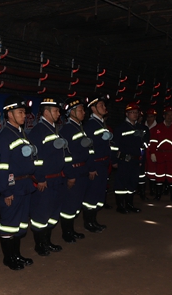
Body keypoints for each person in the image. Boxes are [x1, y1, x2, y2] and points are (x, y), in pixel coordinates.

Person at [0, 95, 37, 270]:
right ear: (9, 114)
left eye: (24, 112)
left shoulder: (22, 134)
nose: (24, 115)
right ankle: (9, 258)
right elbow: (2, 168)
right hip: (13, 187)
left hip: (25, 186)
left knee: (20, 224)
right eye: (20, 112)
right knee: (9, 225)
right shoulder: (4, 137)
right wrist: (6, 191)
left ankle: (17, 255)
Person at [28, 97, 66, 256]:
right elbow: (36, 159)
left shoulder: (54, 130)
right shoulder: (38, 131)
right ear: (46, 112)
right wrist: (40, 178)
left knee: (53, 213)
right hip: (46, 181)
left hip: (57, 179)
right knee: (41, 214)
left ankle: (47, 241)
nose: (58, 113)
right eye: (56, 110)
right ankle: (40, 244)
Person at [59, 97, 90, 243]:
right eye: (80, 110)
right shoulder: (67, 130)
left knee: (76, 203)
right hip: (74, 172)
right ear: (72, 112)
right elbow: (66, 156)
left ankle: (71, 230)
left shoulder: (79, 128)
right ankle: (66, 232)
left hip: (82, 170)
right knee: (69, 204)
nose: (84, 112)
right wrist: (70, 175)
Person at [82, 95, 112, 233]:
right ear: (93, 108)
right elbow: (88, 149)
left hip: (103, 165)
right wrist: (91, 167)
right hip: (96, 166)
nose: (104, 107)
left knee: (99, 195)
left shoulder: (101, 124)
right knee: (92, 196)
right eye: (101, 105)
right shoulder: (90, 125)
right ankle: (88, 222)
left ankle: (93, 221)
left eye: (104, 105)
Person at [111, 102, 145, 214]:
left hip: (135, 160)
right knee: (121, 183)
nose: (135, 114)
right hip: (124, 160)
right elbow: (114, 146)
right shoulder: (121, 128)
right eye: (132, 112)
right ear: (127, 114)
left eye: (136, 112)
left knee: (132, 183)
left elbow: (141, 146)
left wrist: (141, 159)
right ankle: (120, 206)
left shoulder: (139, 128)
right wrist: (114, 160)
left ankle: (130, 204)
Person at [148, 106, 172, 202]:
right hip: (160, 155)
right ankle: (158, 195)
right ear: (164, 116)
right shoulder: (158, 127)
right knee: (159, 176)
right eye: (168, 115)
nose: (169, 117)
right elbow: (153, 141)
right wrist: (152, 153)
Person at [144, 108, 158, 196]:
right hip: (144, 151)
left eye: (151, 116)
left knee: (152, 171)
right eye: (148, 116)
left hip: (153, 152)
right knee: (143, 170)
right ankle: (142, 190)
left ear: (155, 117)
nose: (149, 118)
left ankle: (153, 189)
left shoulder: (158, 128)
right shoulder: (142, 127)